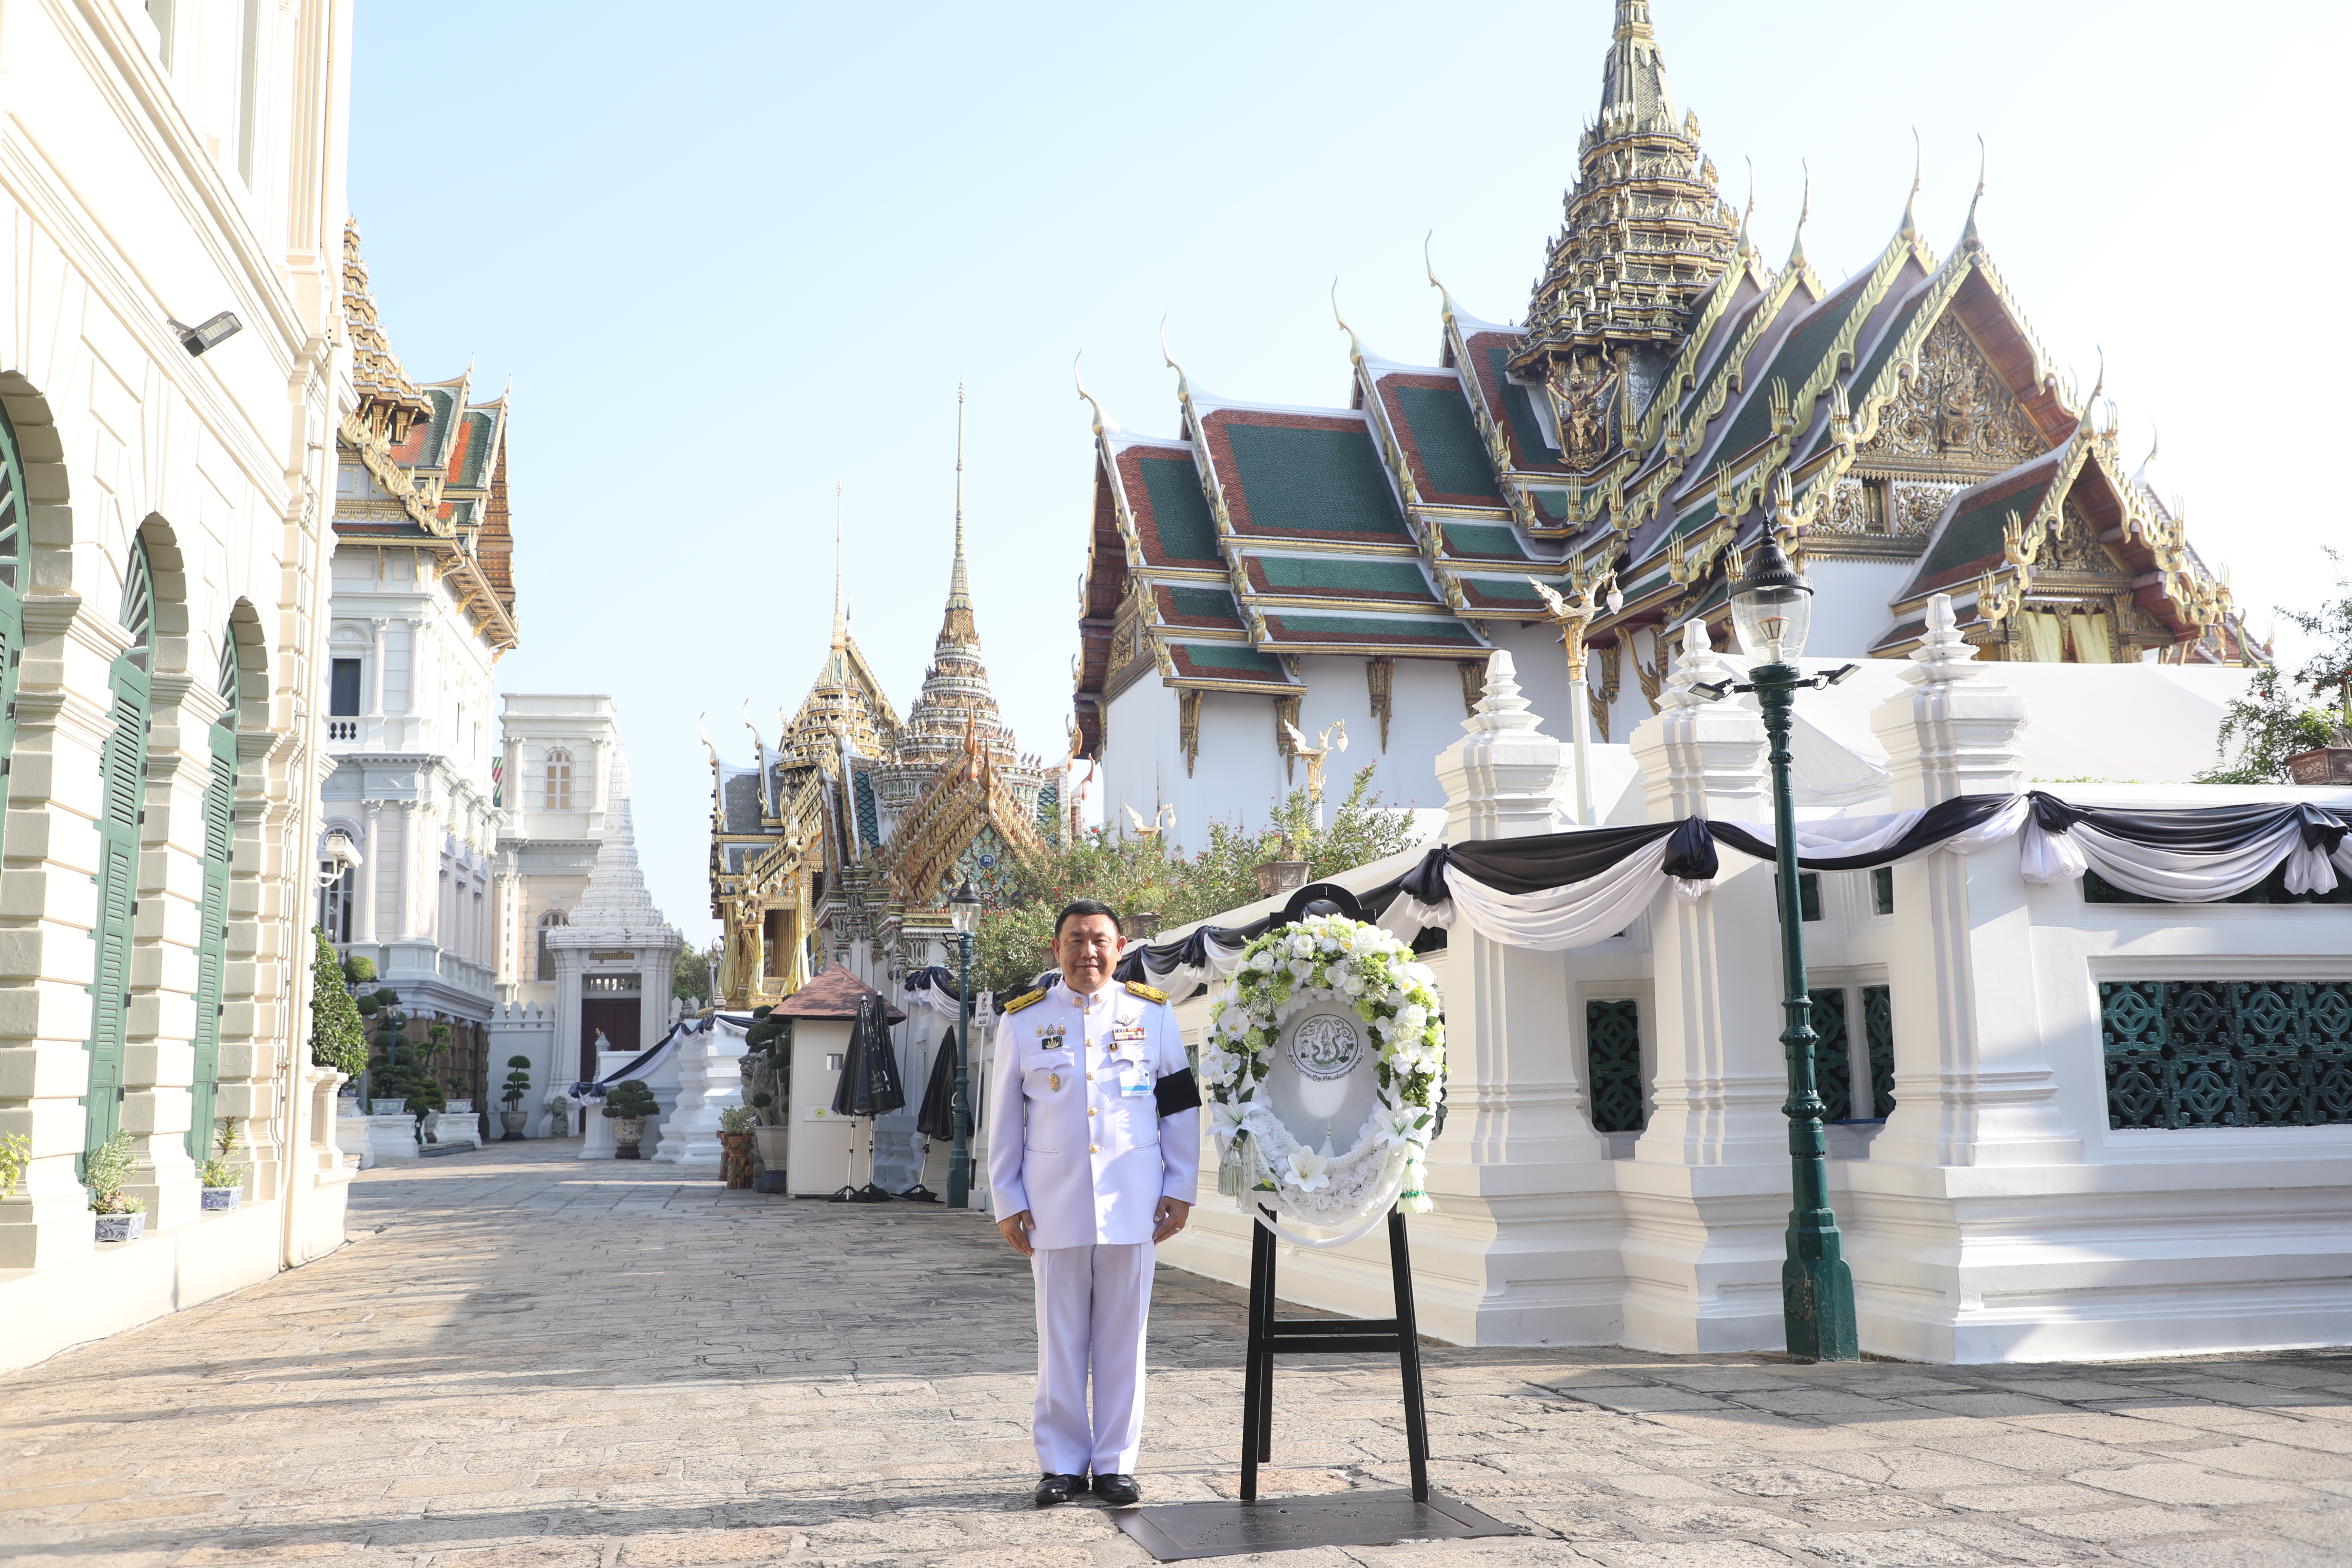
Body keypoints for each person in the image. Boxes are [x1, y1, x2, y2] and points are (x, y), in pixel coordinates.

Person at [988, 899, 1200, 1507]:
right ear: (1055, 950)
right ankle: (1060, 1464)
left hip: (1134, 1204)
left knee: (1122, 1340)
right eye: (1077, 940)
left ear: (1121, 947)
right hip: (1052, 1205)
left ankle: (1114, 1465)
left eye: (1101, 940)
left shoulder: (1151, 1016)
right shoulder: (1024, 1022)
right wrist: (1007, 1198)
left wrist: (1180, 1187)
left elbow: (1180, 1108)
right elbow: (1004, 1119)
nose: (1089, 952)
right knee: (1059, 1341)